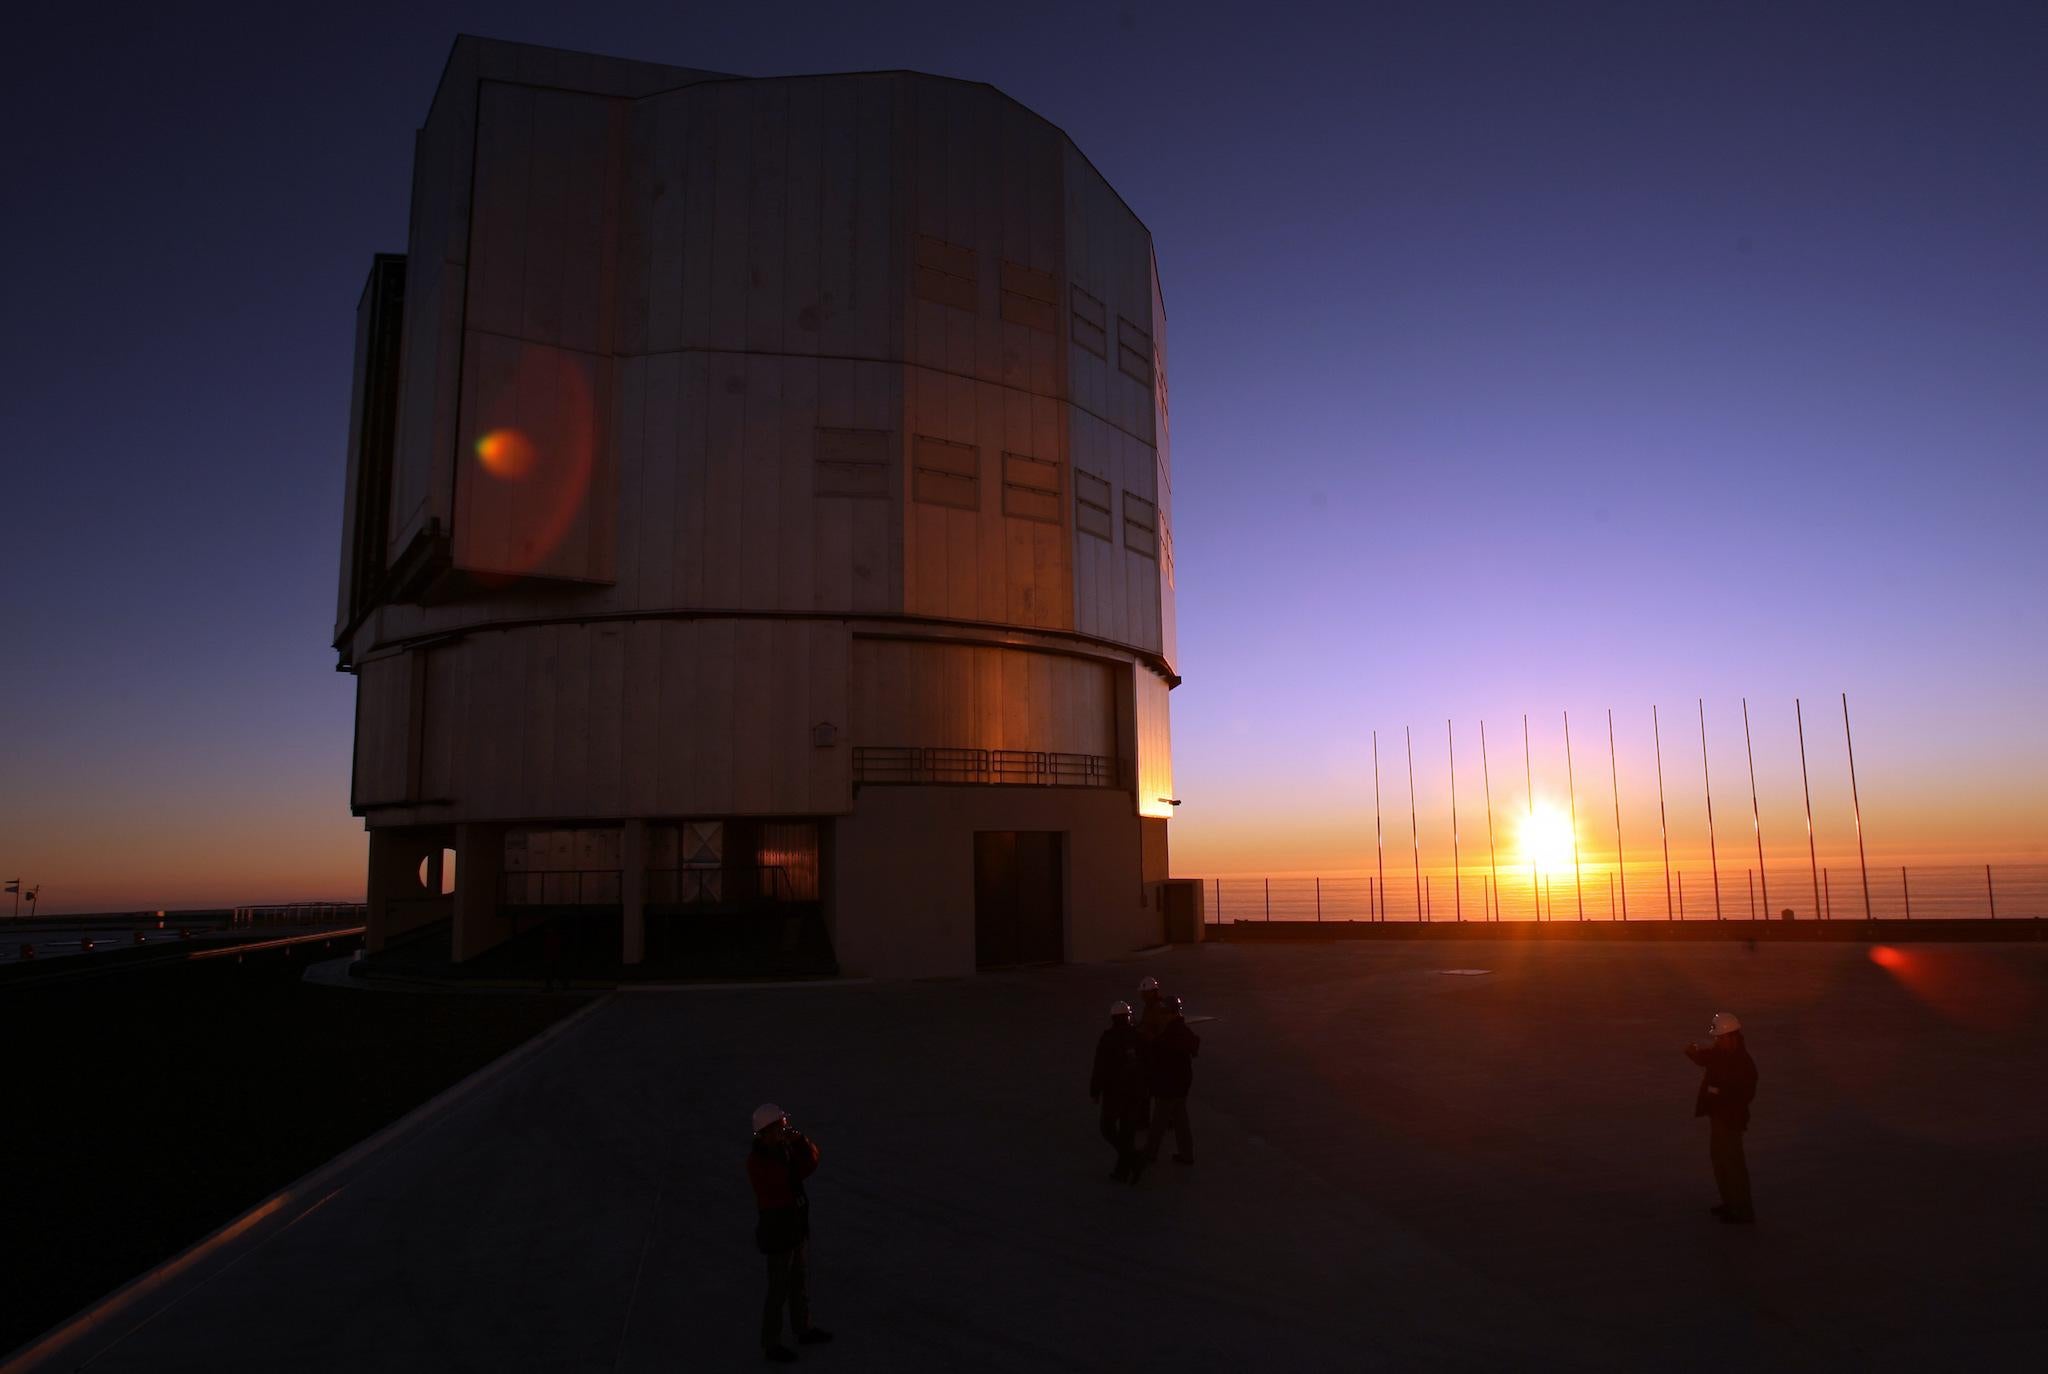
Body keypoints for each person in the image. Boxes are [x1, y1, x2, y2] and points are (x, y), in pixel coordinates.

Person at [747, 1103, 834, 1362]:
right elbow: (786, 1178)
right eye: (780, 1128)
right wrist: (792, 1148)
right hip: (778, 1230)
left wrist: (801, 1142)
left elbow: (810, 1164)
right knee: (778, 1289)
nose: (785, 1131)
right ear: (766, 1131)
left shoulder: (781, 1151)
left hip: (794, 1227)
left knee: (799, 1283)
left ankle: (803, 1328)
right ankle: (771, 1344)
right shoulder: (759, 1161)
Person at [1683, 1012, 1758, 1225]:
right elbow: (1706, 1058)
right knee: (1720, 1161)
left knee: (1733, 1164)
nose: (1716, 1040)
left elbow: (1745, 1094)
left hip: (1730, 1120)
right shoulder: (1722, 1053)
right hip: (1718, 1117)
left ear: (1731, 1037)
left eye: (1719, 1037)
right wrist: (1693, 1052)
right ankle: (1730, 1203)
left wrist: (1719, 1093)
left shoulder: (1743, 1063)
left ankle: (1742, 1211)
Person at [1090, 1001, 1151, 1183]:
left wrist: (1095, 1090)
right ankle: (1127, 1166)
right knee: (1127, 1131)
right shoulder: (1138, 1036)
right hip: (1135, 1092)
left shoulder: (1108, 1038)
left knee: (1107, 1128)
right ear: (1128, 1017)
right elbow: (1148, 1063)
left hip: (1114, 1092)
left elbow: (1099, 1066)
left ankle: (1129, 1162)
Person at [1144, 994, 1201, 1166]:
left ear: (1170, 1013)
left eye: (1164, 1012)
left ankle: (1149, 1155)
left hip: (1168, 1086)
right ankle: (1187, 1154)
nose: (1161, 1015)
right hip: (1182, 1084)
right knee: (1181, 1120)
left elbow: (1156, 1059)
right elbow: (1194, 1045)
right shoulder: (1183, 1030)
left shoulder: (1168, 1034)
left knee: (1158, 1123)